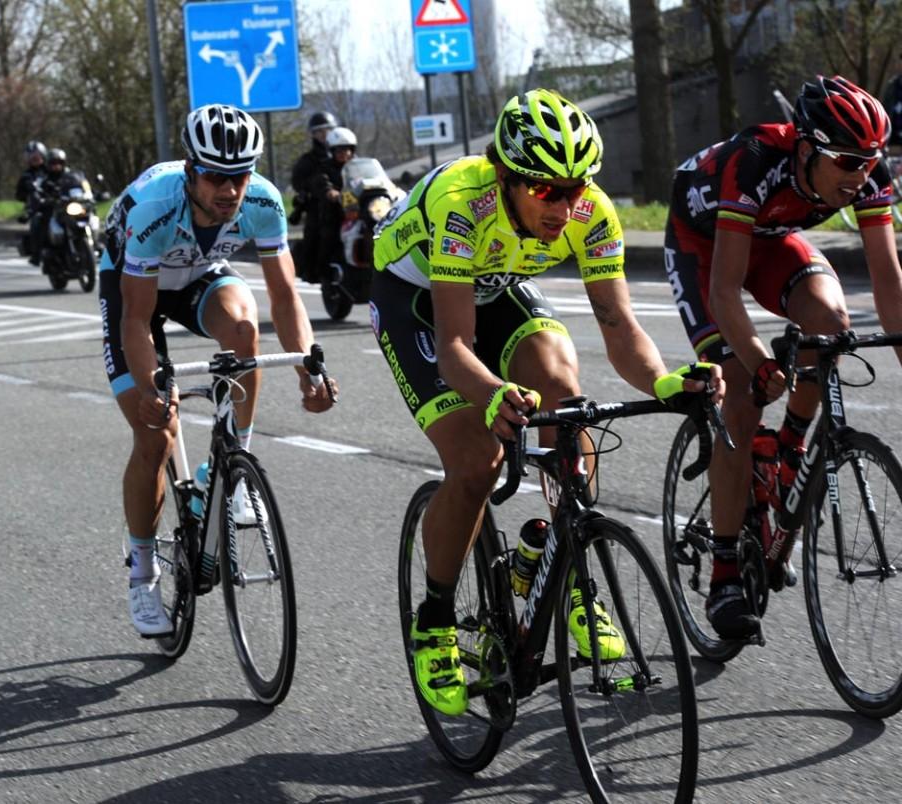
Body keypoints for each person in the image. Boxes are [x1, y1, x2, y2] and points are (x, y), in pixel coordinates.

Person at [371, 88, 723, 716]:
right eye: (545, 191)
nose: (564, 205)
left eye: (576, 187)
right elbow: (454, 344)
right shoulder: (462, 205)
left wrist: (668, 383)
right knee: (477, 458)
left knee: (568, 397)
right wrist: (493, 395)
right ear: (506, 178)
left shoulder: (590, 211)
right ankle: (435, 617)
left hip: (495, 286)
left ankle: (569, 566)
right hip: (417, 301)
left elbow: (618, 325)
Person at [663, 74, 902, 640]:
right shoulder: (754, 161)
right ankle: (724, 575)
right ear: (805, 148)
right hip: (703, 248)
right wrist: (759, 362)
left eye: (870, 161)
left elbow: (889, 281)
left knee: (831, 325)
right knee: (741, 397)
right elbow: (724, 292)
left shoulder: (867, 174)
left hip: (772, 240)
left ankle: (789, 448)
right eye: (845, 161)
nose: (859, 174)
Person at [98, 104, 339, 637]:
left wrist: (309, 366)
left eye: (239, 177)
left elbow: (283, 295)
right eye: (214, 177)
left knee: (245, 332)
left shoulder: (263, 201)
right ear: (190, 171)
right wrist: (152, 389)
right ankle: (142, 571)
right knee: (155, 435)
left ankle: (233, 466)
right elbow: (137, 320)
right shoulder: (153, 210)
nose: (229, 191)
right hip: (135, 287)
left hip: (200, 274)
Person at [289, 111, 338, 281]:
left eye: (328, 130)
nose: (325, 135)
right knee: (318, 231)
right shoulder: (308, 160)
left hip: (344, 201)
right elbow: (297, 181)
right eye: (320, 131)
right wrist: (312, 188)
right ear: (313, 134)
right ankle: (315, 270)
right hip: (320, 204)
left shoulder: (343, 152)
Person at [308, 126, 358, 280]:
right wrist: (332, 193)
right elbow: (322, 184)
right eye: (340, 150)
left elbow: (371, 178)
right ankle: (326, 273)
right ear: (332, 151)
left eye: (348, 149)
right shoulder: (325, 168)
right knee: (329, 235)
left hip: (358, 211)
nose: (345, 153)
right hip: (335, 213)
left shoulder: (358, 166)